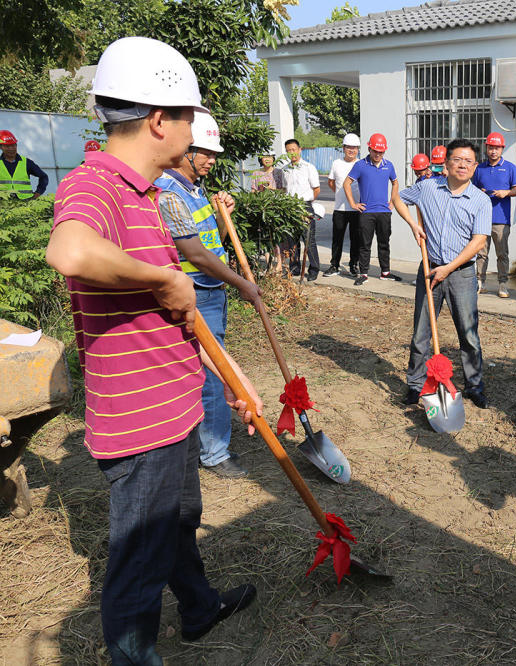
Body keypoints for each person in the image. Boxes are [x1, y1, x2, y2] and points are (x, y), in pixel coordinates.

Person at [44, 36, 261, 664]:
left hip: (175, 409)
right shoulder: (96, 185)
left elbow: (185, 320)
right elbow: (69, 251)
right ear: (159, 120)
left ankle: (197, 606)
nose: (195, 133)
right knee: (138, 564)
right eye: (189, 117)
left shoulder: (148, 197)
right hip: (140, 425)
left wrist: (235, 382)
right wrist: (165, 278)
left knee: (179, 523)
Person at [156, 110, 263, 478]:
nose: (212, 160)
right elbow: (196, 254)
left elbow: (209, 239)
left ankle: (200, 442)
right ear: (186, 150)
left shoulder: (193, 187)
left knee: (205, 369)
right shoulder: (169, 192)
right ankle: (215, 452)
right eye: (205, 152)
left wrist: (222, 215)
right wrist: (243, 283)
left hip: (212, 291)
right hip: (197, 293)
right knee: (215, 372)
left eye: (214, 154)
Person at [398, 138, 491, 409]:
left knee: (468, 333)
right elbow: (397, 199)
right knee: (421, 331)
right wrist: (414, 225)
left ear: (475, 167)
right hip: (429, 269)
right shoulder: (427, 188)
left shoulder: (480, 200)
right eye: (457, 160)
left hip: (460, 273)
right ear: (446, 164)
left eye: (468, 161)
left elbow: (479, 241)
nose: (462, 165)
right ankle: (415, 385)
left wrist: (448, 269)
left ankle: (474, 385)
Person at [344, 133, 402, 285]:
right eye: (375, 150)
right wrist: (353, 203)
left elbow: (395, 183)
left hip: (384, 212)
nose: (378, 154)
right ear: (369, 149)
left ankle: (385, 272)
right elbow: (346, 183)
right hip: (366, 212)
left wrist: (392, 201)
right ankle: (363, 274)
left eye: (381, 151)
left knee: (384, 243)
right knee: (365, 244)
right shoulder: (360, 165)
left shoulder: (389, 165)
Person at [472, 131, 516, 298]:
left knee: (502, 254)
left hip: (501, 219)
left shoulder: (510, 168)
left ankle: (502, 284)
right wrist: (480, 192)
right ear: (487, 148)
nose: (493, 151)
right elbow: (471, 189)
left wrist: (505, 193)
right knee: (481, 253)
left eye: (497, 148)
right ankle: (480, 282)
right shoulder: (479, 169)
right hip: (482, 219)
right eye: (491, 148)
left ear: (502, 149)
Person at [280, 138, 321, 280]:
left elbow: (316, 189)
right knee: (292, 240)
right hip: (290, 207)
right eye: (288, 151)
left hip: (304, 207)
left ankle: (314, 270)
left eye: (293, 149)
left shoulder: (308, 167)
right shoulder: (285, 170)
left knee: (309, 240)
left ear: (299, 149)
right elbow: (284, 189)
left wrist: (307, 204)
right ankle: (294, 268)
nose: (291, 153)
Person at [324, 132, 363, 277]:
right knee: (337, 238)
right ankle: (334, 265)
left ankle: (354, 265)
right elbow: (331, 182)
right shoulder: (336, 163)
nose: (351, 150)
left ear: (358, 149)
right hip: (340, 208)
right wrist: (340, 194)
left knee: (356, 239)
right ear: (343, 148)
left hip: (356, 208)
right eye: (349, 147)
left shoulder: (361, 164)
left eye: (354, 147)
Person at [0, 130, 49, 199]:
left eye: (13, 145)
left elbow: (44, 177)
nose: (11, 149)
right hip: (4, 204)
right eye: (7, 146)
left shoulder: (27, 162)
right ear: (1, 147)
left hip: (25, 203)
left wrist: (38, 193)